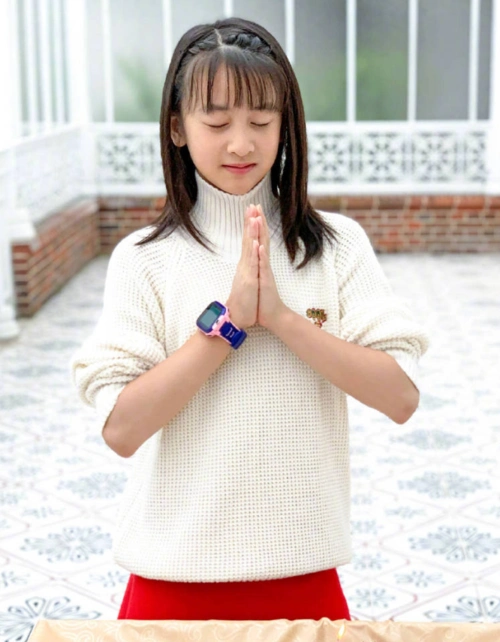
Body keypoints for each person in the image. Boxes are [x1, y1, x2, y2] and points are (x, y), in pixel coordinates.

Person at [70, 17, 428, 621]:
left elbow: (400, 397)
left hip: (303, 573)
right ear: (177, 128)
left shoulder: (336, 246)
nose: (241, 144)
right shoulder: (142, 259)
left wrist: (281, 318)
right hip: (170, 577)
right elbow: (122, 430)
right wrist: (228, 327)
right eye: (216, 123)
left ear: (286, 126)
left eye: (262, 122)